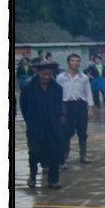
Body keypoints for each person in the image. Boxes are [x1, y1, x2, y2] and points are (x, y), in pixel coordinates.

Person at [21, 61, 64, 189]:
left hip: (53, 126)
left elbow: (60, 105)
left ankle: (53, 180)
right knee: (34, 152)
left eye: (49, 75)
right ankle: (32, 176)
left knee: (54, 153)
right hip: (35, 126)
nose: (46, 77)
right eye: (43, 74)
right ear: (38, 73)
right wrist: (30, 121)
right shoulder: (28, 88)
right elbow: (24, 107)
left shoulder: (57, 88)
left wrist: (61, 117)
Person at [56, 53, 94, 169]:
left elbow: (88, 93)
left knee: (82, 131)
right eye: (73, 61)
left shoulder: (84, 78)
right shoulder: (61, 77)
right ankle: (64, 157)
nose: (75, 63)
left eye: (77, 61)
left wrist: (90, 109)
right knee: (66, 132)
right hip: (66, 106)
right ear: (68, 63)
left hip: (80, 105)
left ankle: (83, 155)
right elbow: (56, 94)